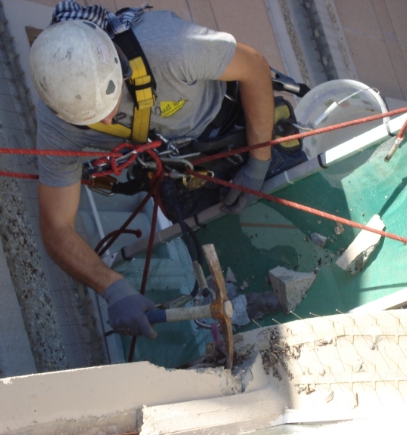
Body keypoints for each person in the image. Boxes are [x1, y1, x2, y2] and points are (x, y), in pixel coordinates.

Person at [30, 2, 298, 339]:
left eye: (108, 106)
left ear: (117, 66)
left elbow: (255, 67)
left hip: (241, 132)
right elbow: (55, 226)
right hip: (180, 173)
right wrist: (113, 288)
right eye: (91, 120)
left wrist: (258, 162)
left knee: (299, 211)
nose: (108, 122)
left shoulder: (170, 48)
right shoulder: (59, 123)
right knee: (234, 262)